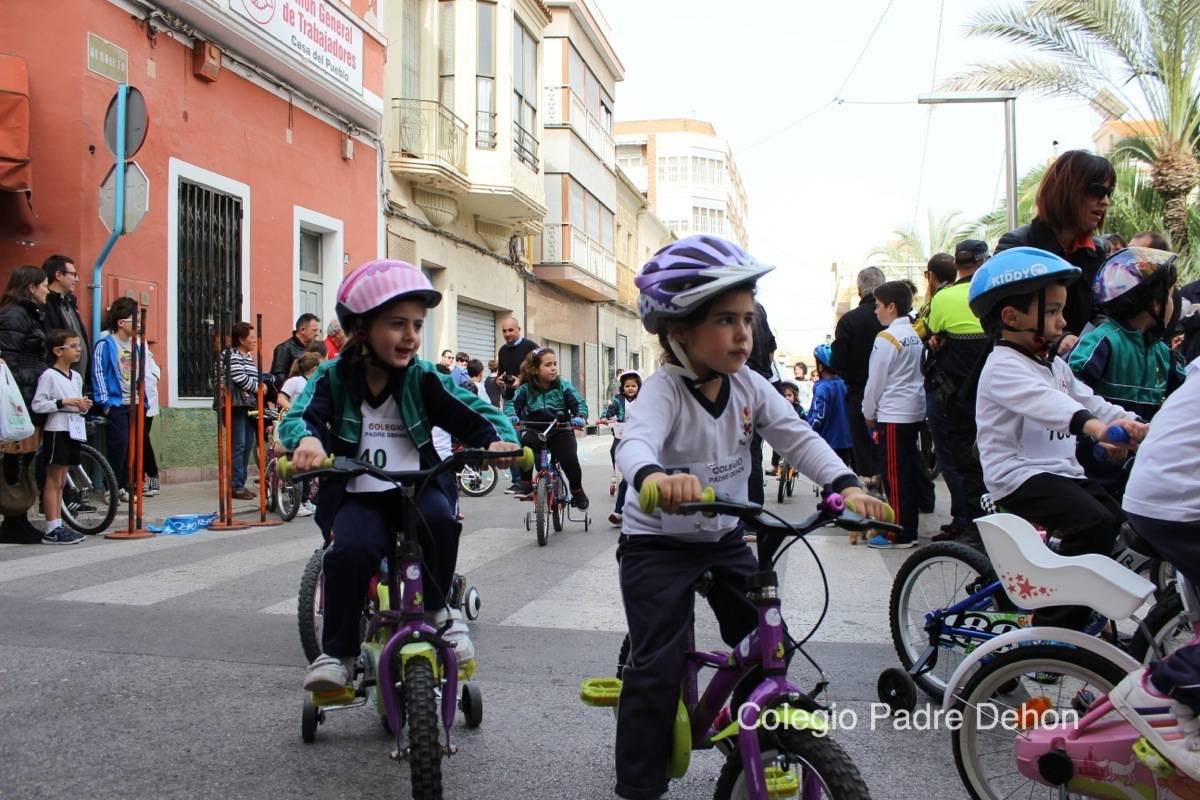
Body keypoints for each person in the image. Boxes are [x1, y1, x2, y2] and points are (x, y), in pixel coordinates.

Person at [613, 235, 892, 800]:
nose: (743, 333)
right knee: (656, 671)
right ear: (680, 332)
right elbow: (633, 442)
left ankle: (763, 740)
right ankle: (638, 786)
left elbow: (796, 437)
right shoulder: (664, 390)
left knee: (771, 649)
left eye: (748, 318)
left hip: (722, 539)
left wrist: (844, 484)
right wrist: (654, 479)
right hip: (658, 547)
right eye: (724, 319)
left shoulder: (749, 385)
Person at [279, 259, 519, 691]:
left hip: (417, 488)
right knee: (350, 549)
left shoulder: (426, 378)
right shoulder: (333, 377)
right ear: (361, 329)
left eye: (417, 324)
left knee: (442, 522)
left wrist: (500, 441)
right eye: (396, 324)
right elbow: (299, 418)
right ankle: (337, 652)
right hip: (358, 491)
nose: (411, 335)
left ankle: (439, 613)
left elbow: (478, 416)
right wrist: (307, 442)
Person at [969, 246, 1146, 629]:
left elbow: (1090, 400)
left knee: (1114, 519)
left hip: (1059, 472)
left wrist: (1137, 426)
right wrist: (1096, 429)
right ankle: (1052, 630)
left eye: (1061, 311)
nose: (1062, 321)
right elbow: (1050, 405)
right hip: (1017, 476)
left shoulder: (1054, 366)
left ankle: (1064, 599)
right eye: (1051, 312)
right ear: (1011, 317)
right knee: (1093, 522)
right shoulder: (1002, 367)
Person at [1109, 354, 1200, 781]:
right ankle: (1164, 682)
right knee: (1091, 521)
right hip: (1175, 500)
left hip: (1161, 488)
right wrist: (1092, 424)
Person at [1069, 247, 1184, 466]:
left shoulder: (1164, 354)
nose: (1174, 303)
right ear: (1154, 302)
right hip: (1092, 462)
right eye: (1170, 295)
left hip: (1141, 464)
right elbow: (1069, 393)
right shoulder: (1102, 342)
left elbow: (1182, 403)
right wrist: (1095, 436)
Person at [996, 150, 1115, 345]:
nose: (1105, 201)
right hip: (1025, 366)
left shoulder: (1097, 251)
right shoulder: (1019, 245)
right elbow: (995, 320)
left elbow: (1101, 311)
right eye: (1096, 191)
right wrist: (1058, 340)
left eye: (1109, 192)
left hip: (1079, 368)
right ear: (1066, 190)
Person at [925, 240, 992, 541]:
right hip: (994, 391)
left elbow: (931, 329)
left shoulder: (944, 297)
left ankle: (967, 521)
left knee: (958, 457)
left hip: (956, 394)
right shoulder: (993, 292)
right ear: (984, 260)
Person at [861, 281, 925, 548]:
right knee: (908, 473)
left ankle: (898, 532)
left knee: (895, 476)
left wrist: (868, 413)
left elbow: (875, 382)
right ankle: (907, 527)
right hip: (913, 410)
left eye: (878, 306)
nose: (875, 312)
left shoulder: (887, 338)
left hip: (893, 413)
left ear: (891, 307)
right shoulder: (914, 333)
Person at [0, 266, 49, 544]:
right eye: (42, 285)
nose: (46, 290)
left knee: (22, 459)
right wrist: (29, 386)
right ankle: (13, 520)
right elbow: (9, 360)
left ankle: (18, 519)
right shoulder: (13, 315)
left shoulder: (29, 314)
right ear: (30, 287)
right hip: (20, 399)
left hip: (30, 396)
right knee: (14, 459)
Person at [506, 347, 589, 509]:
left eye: (555, 364)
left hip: (561, 430)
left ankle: (577, 490)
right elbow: (511, 405)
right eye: (548, 365)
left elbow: (579, 403)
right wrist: (512, 416)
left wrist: (580, 416)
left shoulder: (563, 385)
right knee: (525, 448)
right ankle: (525, 483)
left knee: (570, 460)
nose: (553, 368)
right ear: (534, 369)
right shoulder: (525, 389)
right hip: (536, 430)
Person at [31, 329, 90, 544]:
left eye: (78, 346)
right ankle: (51, 526)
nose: (78, 350)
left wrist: (82, 405)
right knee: (54, 480)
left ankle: (58, 523)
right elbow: (38, 404)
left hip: (72, 427)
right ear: (58, 351)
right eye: (73, 346)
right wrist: (62, 402)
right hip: (56, 429)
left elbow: (76, 402)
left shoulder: (76, 377)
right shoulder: (49, 376)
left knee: (63, 479)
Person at [831, 266, 886, 481]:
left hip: (859, 393)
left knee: (864, 450)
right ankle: (919, 498)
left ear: (859, 290)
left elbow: (837, 361)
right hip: (895, 395)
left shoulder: (849, 321)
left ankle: (872, 494)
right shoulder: (900, 319)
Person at [92, 296, 143, 499]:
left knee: (132, 446)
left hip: (135, 402)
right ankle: (111, 487)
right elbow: (98, 373)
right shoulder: (105, 344)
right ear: (121, 322)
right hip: (116, 403)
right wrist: (105, 404)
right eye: (135, 319)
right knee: (119, 444)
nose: (139, 324)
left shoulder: (136, 345)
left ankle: (126, 486)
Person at [219, 321, 273, 500]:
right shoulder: (231, 354)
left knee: (247, 444)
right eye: (251, 337)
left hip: (248, 405)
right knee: (239, 445)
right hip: (235, 406)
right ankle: (236, 485)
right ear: (241, 339)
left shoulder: (247, 357)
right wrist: (258, 388)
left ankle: (240, 483)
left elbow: (250, 378)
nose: (254, 340)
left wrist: (261, 385)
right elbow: (239, 377)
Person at [496, 317, 538, 492]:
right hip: (510, 401)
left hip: (530, 400)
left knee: (530, 439)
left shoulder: (532, 348)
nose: (507, 334)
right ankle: (518, 481)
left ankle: (536, 478)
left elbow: (540, 374)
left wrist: (520, 381)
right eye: (504, 331)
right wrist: (500, 381)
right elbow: (501, 373)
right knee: (510, 438)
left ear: (518, 329)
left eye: (510, 330)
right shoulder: (503, 350)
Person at [745, 300, 778, 503]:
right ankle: (753, 514)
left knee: (747, 452)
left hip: (749, 383)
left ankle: (750, 516)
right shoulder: (758, 308)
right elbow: (771, 349)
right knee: (752, 452)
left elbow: (799, 439)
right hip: (759, 380)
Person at [40, 255, 89, 389]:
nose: (77, 279)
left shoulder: (70, 302)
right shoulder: (45, 303)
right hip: (57, 381)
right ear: (58, 275)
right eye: (73, 274)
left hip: (77, 379)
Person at [601, 369, 641, 526]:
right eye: (627, 386)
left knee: (631, 478)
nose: (630, 388)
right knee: (614, 450)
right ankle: (618, 512)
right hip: (622, 435)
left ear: (638, 387)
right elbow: (610, 410)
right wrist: (606, 417)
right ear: (622, 388)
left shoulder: (644, 400)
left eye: (633, 386)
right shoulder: (618, 399)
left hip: (640, 437)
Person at [807, 344, 852, 465]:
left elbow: (819, 416)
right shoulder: (845, 384)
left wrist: (807, 431)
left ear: (820, 367)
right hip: (847, 441)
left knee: (828, 479)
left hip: (828, 442)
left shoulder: (822, 387)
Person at [270, 313, 320, 386]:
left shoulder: (316, 347)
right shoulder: (284, 349)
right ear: (302, 330)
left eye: (317, 330)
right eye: (314, 330)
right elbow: (279, 379)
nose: (317, 334)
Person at [768, 380, 804, 475]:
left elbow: (804, 419)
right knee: (776, 446)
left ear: (794, 396)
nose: (786, 398)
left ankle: (795, 466)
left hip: (795, 434)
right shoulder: (778, 407)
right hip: (781, 434)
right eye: (784, 396)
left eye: (789, 395)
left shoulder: (798, 409)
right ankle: (775, 465)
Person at [141, 344, 162, 497]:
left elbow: (150, 360)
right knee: (138, 440)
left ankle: (148, 476)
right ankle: (148, 474)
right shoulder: (107, 339)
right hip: (128, 399)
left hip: (148, 398)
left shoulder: (142, 341)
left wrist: (155, 375)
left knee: (143, 439)